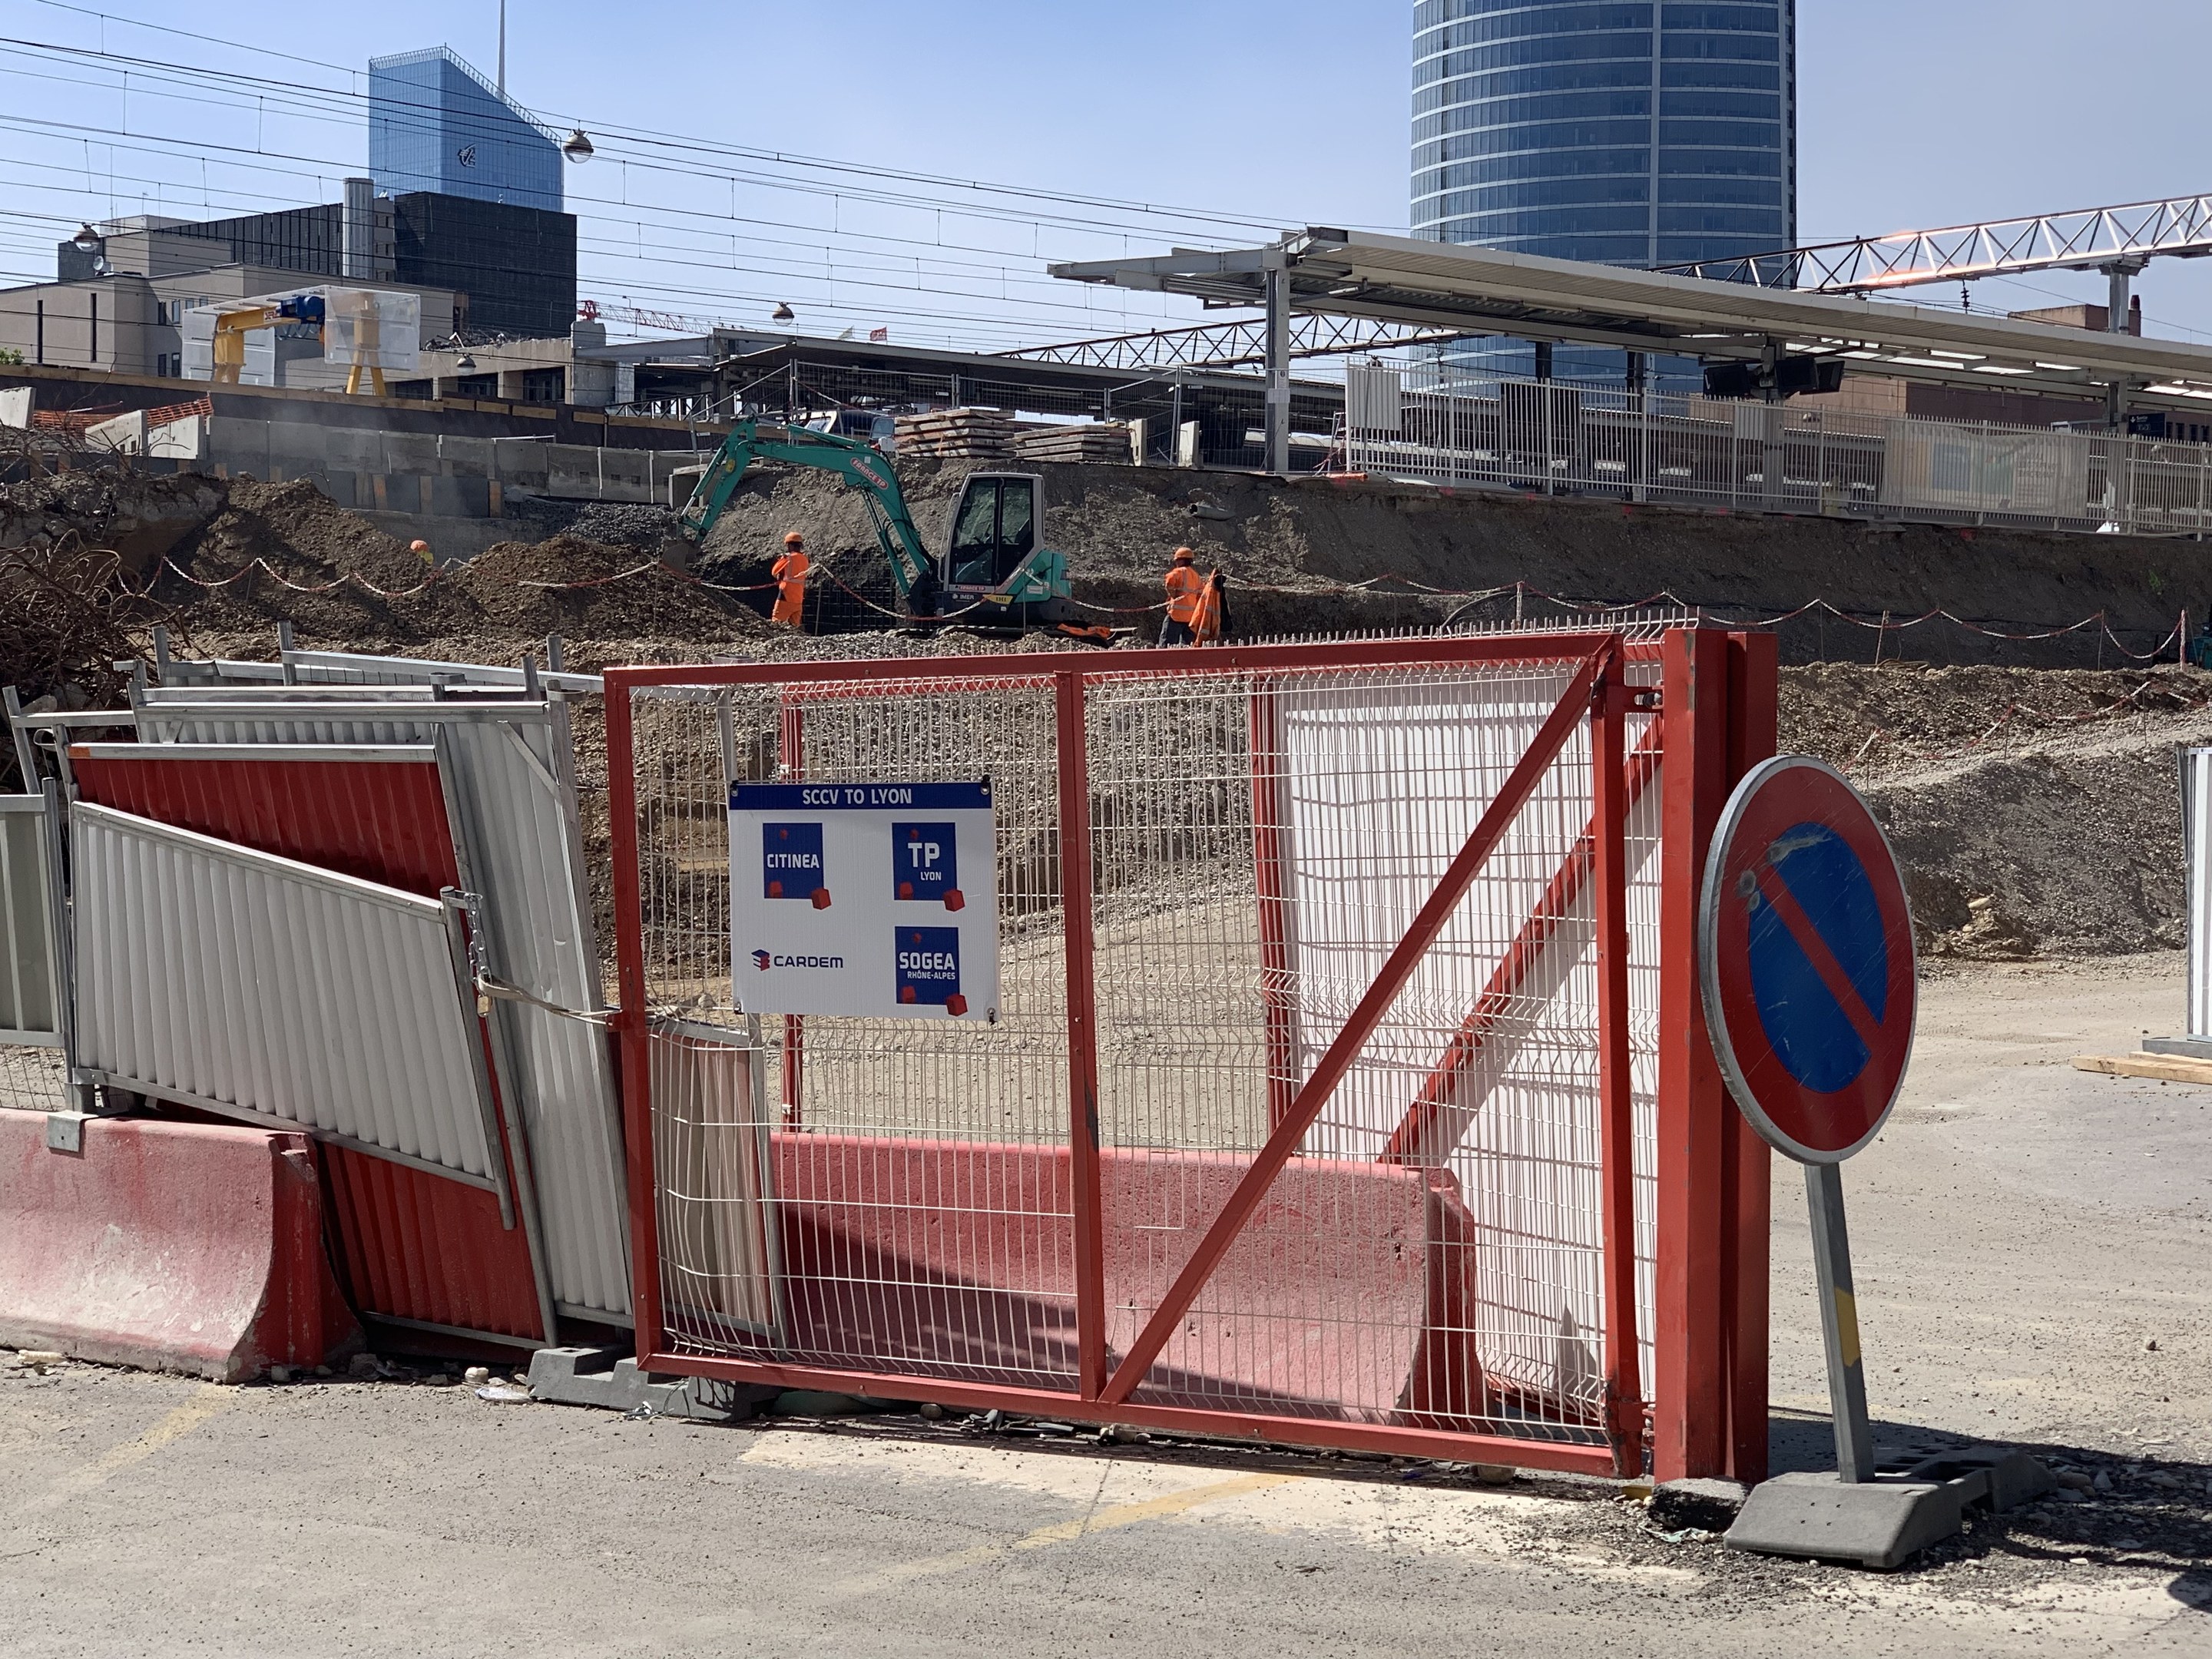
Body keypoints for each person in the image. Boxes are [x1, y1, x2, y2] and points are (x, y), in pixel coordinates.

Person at [1161, 545, 1205, 645]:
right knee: (1187, 646)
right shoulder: (1196, 576)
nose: (1176, 563)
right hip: (1190, 618)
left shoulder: (1179, 572)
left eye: (1177, 561)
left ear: (1181, 560)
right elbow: (1200, 594)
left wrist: (1174, 595)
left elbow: (1169, 583)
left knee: (1166, 644)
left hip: (1176, 615)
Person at [772, 531, 810, 627]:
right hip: (798, 597)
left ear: (790, 545)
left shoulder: (788, 558)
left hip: (786, 594)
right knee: (795, 626)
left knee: (776, 623)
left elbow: (774, 572)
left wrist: (781, 560)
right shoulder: (805, 559)